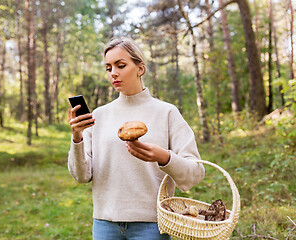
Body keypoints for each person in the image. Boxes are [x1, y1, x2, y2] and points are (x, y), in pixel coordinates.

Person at [68, 37, 205, 240]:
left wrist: (165, 158)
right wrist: (77, 138)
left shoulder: (167, 112)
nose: (113, 73)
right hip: (105, 225)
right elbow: (82, 176)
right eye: (108, 68)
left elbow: (195, 174)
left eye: (120, 65)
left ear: (140, 68)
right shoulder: (98, 116)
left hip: (151, 226)